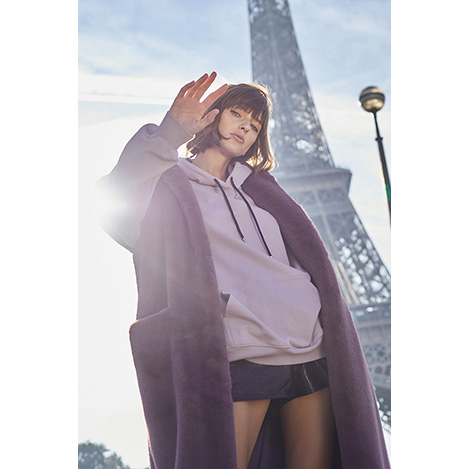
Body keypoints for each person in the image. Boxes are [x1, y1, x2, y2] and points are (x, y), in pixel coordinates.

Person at [99, 72, 390, 469]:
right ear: (213, 114)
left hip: (310, 341)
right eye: (237, 113)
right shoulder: (169, 183)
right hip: (243, 345)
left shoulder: (262, 190)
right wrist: (170, 132)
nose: (245, 127)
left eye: (255, 125)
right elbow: (115, 197)